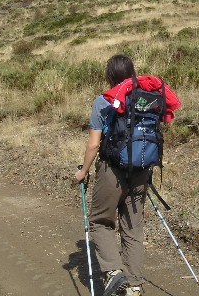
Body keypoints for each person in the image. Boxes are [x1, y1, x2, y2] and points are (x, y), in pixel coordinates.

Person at [74, 54, 151, 296]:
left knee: (99, 222)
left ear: (109, 75)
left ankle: (114, 273)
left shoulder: (103, 101)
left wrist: (83, 171)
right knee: (133, 229)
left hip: (112, 170)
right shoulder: (145, 100)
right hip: (141, 170)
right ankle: (134, 285)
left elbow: (94, 144)